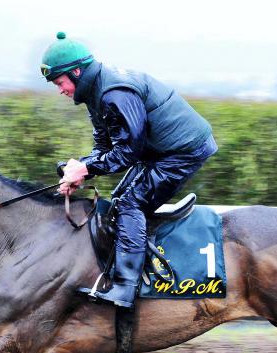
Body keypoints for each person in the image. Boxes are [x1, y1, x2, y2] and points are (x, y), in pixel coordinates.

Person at [42, 32, 218, 309]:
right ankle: (125, 270)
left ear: (76, 72)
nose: (59, 90)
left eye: (60, 82)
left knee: (129, 203)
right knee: (119, 198)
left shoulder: (114, 93)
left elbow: (128, 152)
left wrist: (86, 169)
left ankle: (125, 288)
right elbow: (105, 145)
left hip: (183, 149)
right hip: (160, 150)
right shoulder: (95, 91)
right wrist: (81, 169)